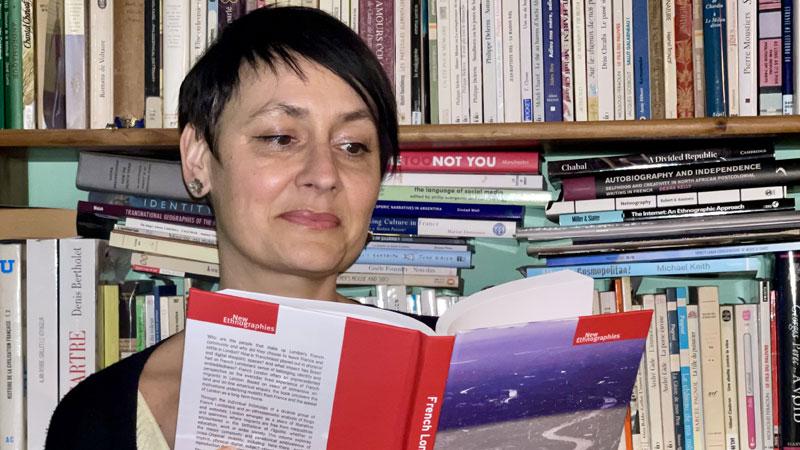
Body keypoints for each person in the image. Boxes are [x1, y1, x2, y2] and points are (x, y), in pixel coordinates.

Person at [45, 6, 418, 449]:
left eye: (353, 146)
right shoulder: (97, 417)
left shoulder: (450, 371)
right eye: (280, 137)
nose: (324, 173)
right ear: (198, 157)